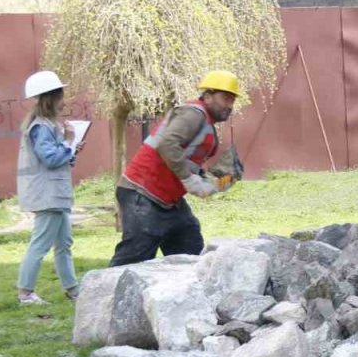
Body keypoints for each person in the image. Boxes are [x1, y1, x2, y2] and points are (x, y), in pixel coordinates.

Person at [109, 70, 240, 266]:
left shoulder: (204, 123)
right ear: (207, 95)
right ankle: (102, 294)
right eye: (225, 98)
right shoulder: (193, 114)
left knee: (190, 251)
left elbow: (183, 157)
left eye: (232, 100)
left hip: (168, 201)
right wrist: (189, 179)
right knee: (133, 260)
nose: (229, 105)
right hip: (143, 193)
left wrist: (211, 180)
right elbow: (168, 144)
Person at [15, 70, 82, 305]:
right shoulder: (42, 127)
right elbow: (51, 158)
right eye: (61, 96)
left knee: (64, 244)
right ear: (51, 98)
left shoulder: (47, 125)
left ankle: (73, 289)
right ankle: (25, 293)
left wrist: (70, 149)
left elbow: (59, 158)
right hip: (47, 194)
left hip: (55, 194)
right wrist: (69, 141)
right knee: (41, 244)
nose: (64, 101)